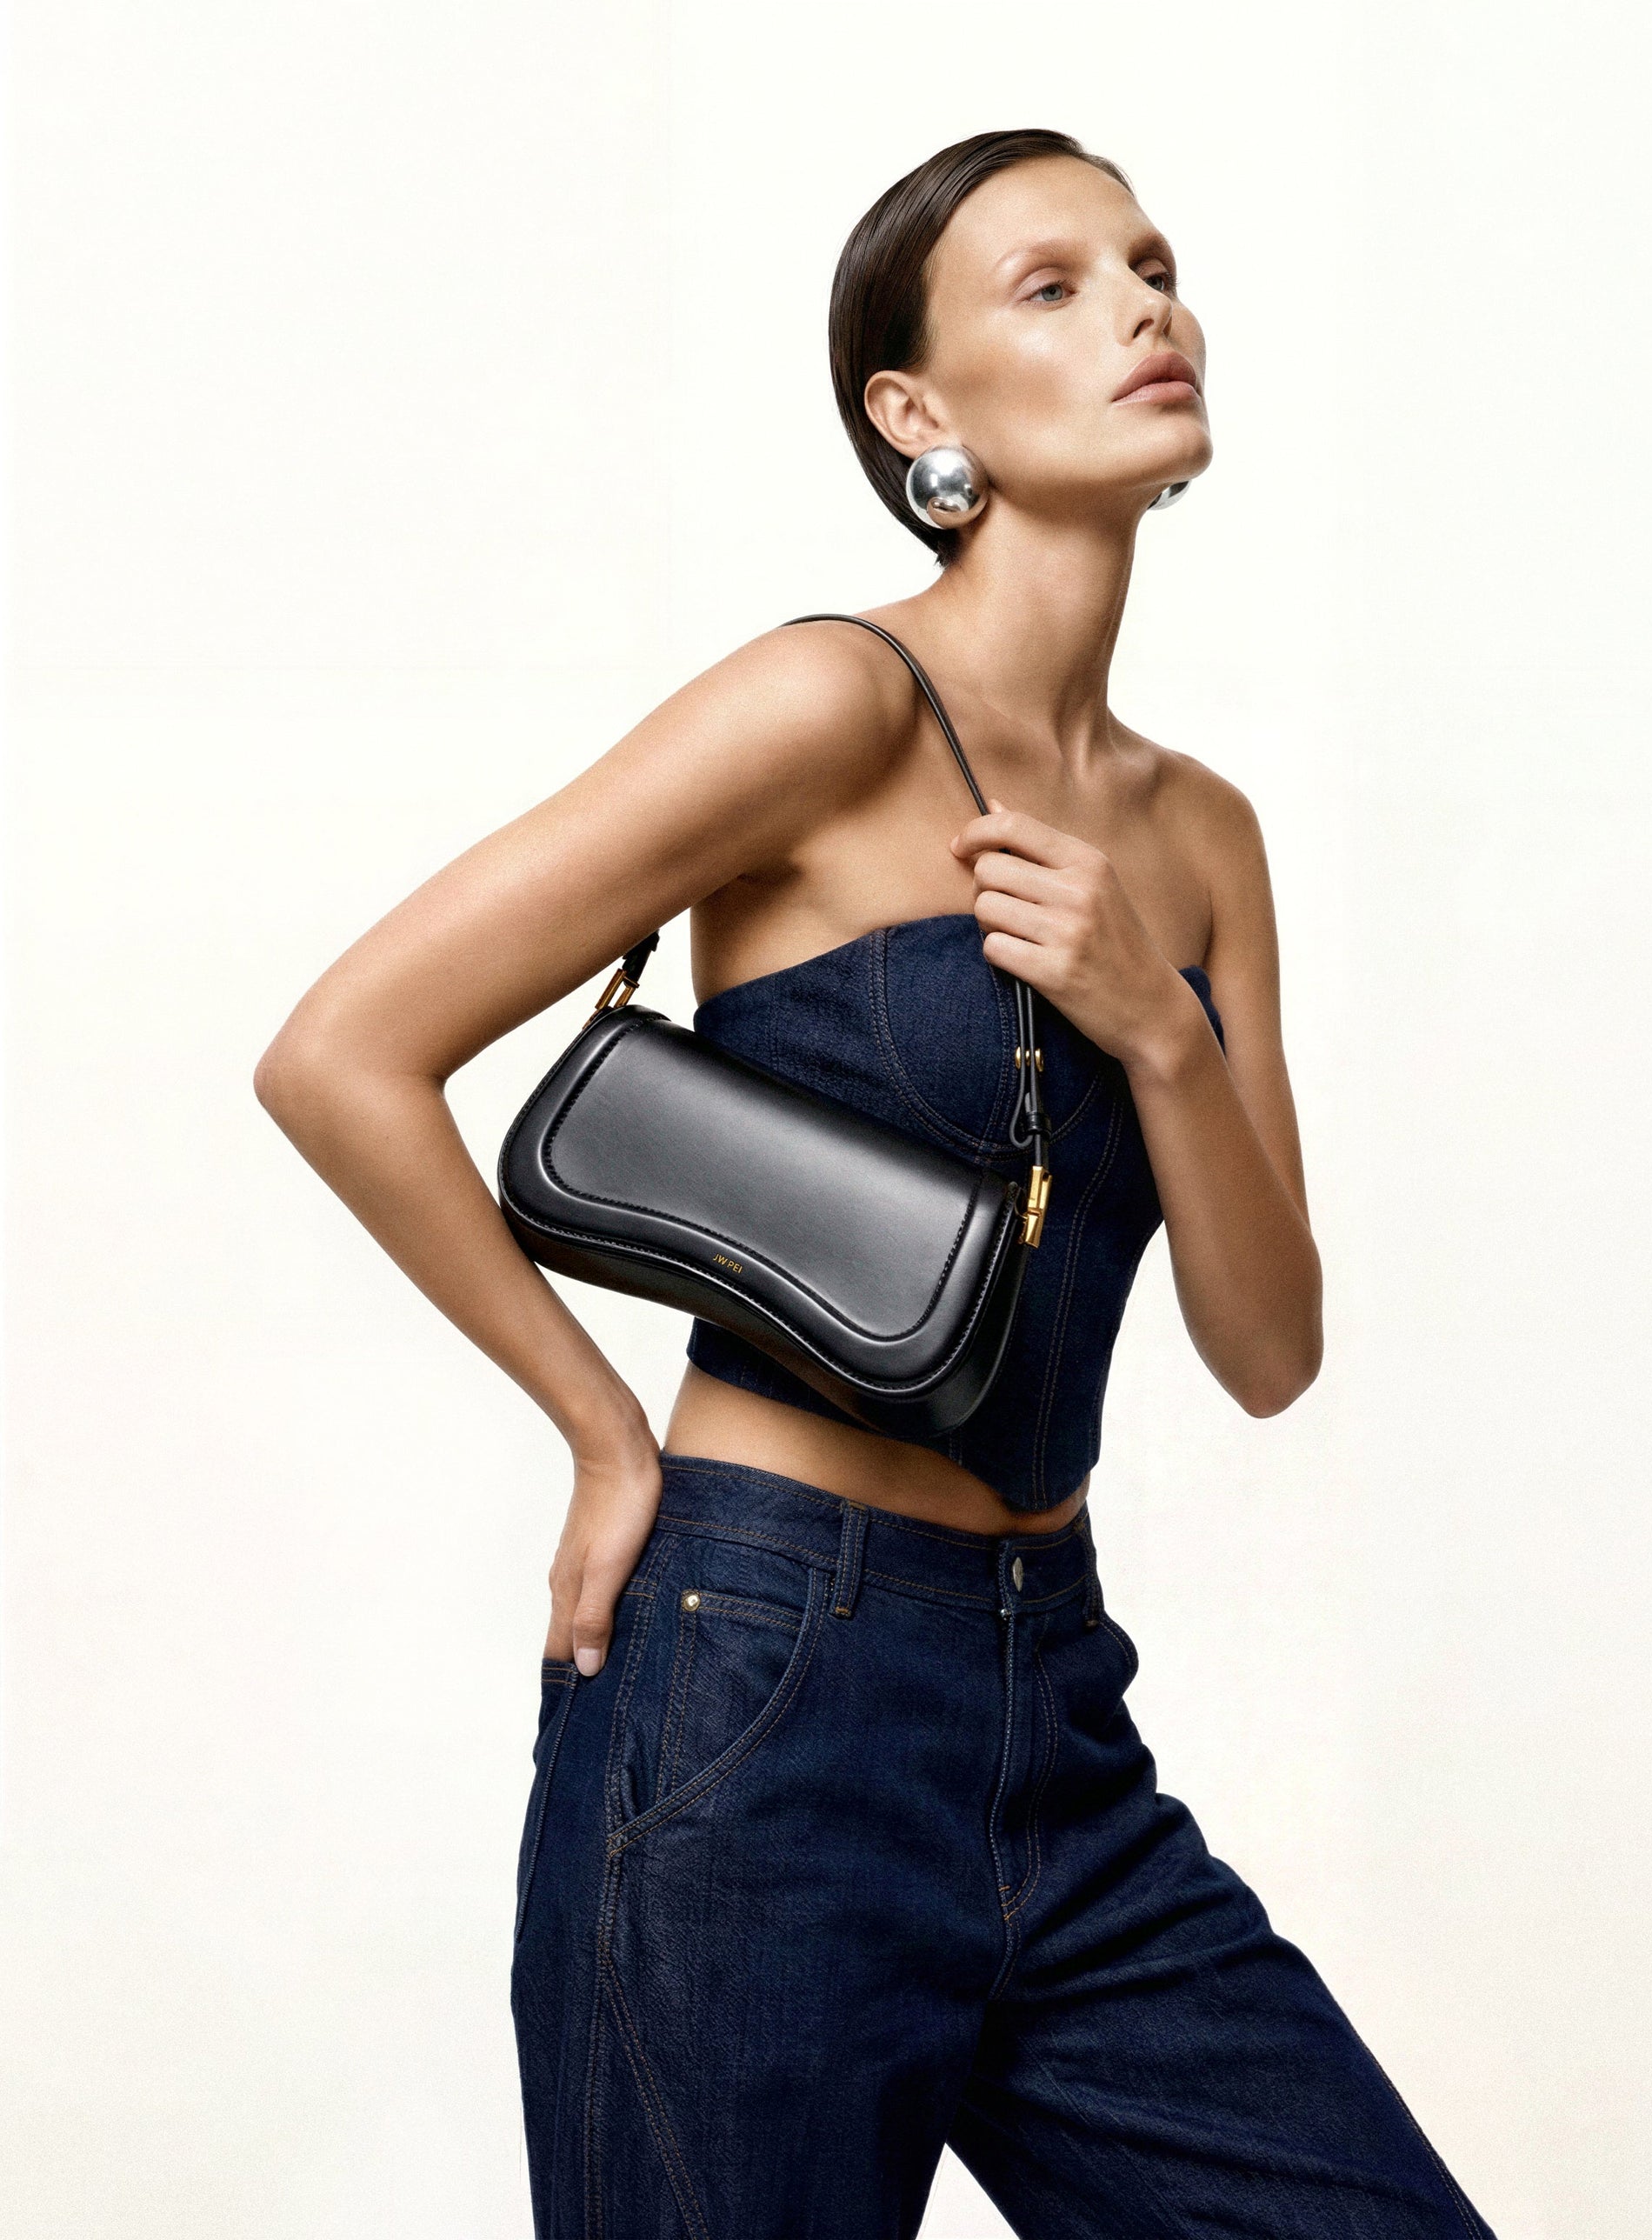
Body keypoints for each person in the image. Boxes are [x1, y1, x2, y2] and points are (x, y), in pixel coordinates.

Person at [256, 126, 1495, 2240]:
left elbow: (1268, 1346)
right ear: (917, 419)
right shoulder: (830, 700)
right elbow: (342, 1052)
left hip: (1057, 1711)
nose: (1142, 305)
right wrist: (602, 1432)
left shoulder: (1202, 835)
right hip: (756, 1680)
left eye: (1150, 263)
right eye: (1052, 284)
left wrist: (1155, 1022)